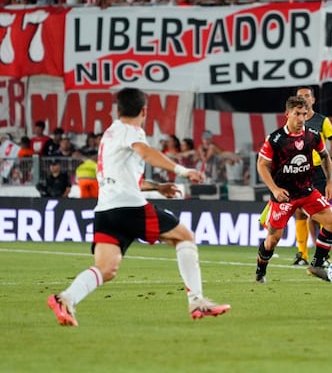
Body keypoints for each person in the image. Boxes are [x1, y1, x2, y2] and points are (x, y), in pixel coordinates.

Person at [47, 88, 230, 326]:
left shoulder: (110, 134)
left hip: (106, 211)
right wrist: (182, 171)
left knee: (106, 268)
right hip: (129, 208)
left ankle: (65, 299)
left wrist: (157, 187)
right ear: (144, 111)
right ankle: (197, 302)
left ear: (117, 109)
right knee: (184, 237)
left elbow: (128, 180)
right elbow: (145, 152)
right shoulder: (132, 131)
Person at [255, 96, 332, 284]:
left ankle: (316, 265)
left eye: (304, 113)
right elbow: (261, 165)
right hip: (284, 196)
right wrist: (274, 189)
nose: (301, 118)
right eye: (297, 114)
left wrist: (330, 181)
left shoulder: (312, 135)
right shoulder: (276, 139)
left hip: (306, 191)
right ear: (287, 114)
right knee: (273, 240)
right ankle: (260, 270)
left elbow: (325, 156)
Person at [291, 85, 332, 266]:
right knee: (299, 212)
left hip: (318, 171)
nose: (303, 99)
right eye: (300, 96)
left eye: (306, 96)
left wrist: (331, 160)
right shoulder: (293, 121)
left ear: (313, 100)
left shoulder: (322, 121)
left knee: (320, 212)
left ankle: (323, 255)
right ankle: (302, 254)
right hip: (298, 171)